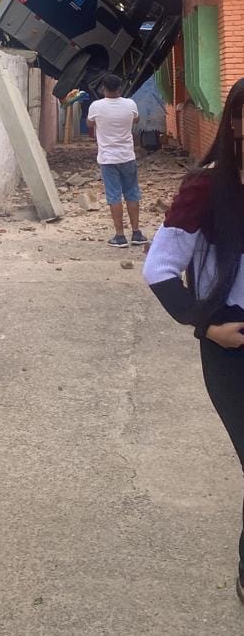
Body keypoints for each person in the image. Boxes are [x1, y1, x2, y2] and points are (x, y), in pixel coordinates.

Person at [143, 78, 244, 603]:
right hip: (231, 341)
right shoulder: (204, 189)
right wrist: (203, 326)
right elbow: (159, 268)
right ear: (235, 123)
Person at [87, 73, 147, 247]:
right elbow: (136, 119)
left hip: (107, 159)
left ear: (103, 89)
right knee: (132, 193)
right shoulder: (130, 104)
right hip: (127, 156)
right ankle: (136, 233)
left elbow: (90, 124)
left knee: (114, 196)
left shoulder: (96, 106)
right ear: (120, 88)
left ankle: (120, 236)